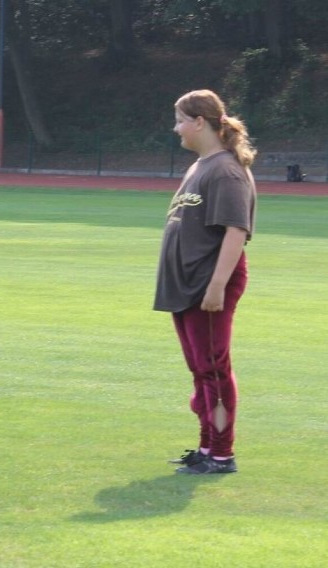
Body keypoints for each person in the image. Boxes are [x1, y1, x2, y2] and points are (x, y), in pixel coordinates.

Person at [154, 89, 257, 475]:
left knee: (213, 368)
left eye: (180, 119)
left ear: (200, 122)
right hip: (187, 285)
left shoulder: (226, 170)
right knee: (200, 369)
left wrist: (216, 286)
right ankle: (206, 445)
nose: (175, 127)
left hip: (207, 285)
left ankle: (221, 453)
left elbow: (235, 230)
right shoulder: (200, 166)